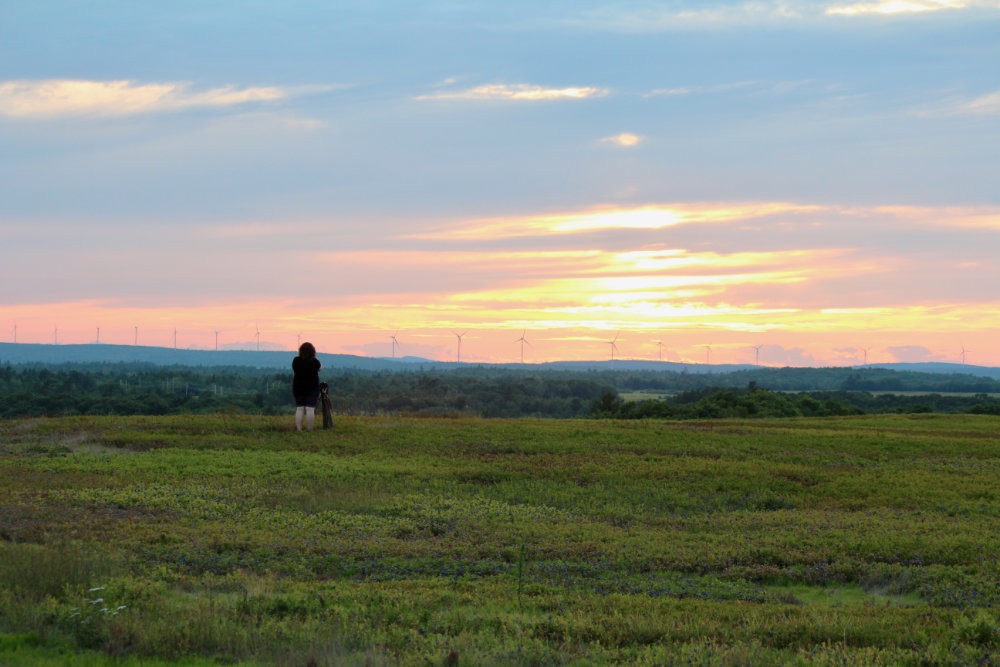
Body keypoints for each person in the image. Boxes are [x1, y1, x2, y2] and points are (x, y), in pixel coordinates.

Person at [292, 342, 322, 431]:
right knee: (310, 409)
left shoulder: (296, 360)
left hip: (298, 387)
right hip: (312, 387)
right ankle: (309, 429)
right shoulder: (314, 361)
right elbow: (320, 368)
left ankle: (299, 429)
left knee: (300, 408)